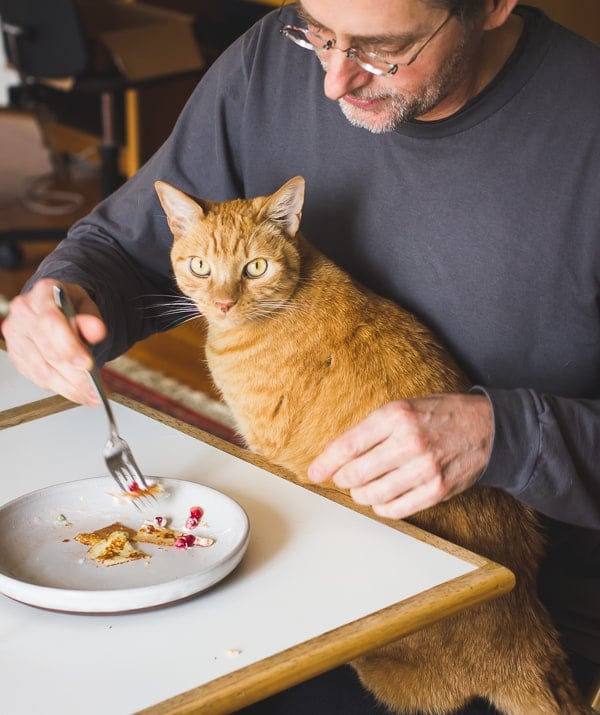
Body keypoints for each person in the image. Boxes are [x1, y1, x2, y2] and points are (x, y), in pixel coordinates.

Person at [3, 1, 599, 712]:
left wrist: (508, 434)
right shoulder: (270, 60)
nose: (332, 82)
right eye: (317, 36)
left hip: (499, 608)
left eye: (385, 50)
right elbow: (123, 246)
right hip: (302, 534)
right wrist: (62, 294)